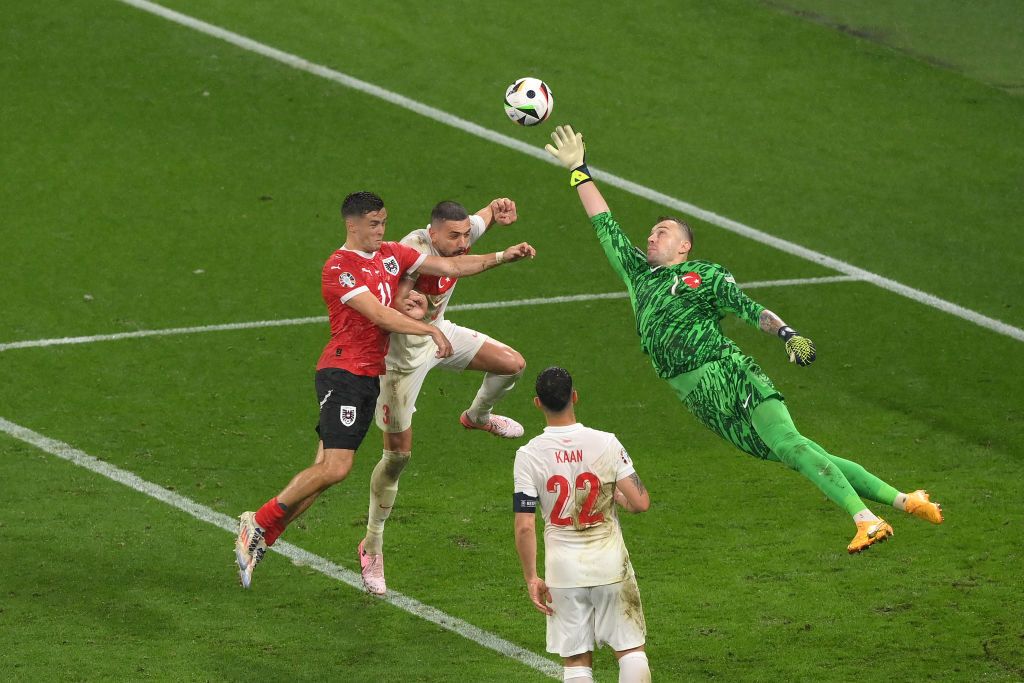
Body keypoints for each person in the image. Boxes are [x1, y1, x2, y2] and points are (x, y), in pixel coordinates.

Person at [543, 125, 944, 554]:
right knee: (795, 453)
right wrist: (579, 171)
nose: (651, 236)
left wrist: (788, 334)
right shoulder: (638, 276)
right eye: (651, 232)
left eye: (662, 232)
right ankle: (905, 500)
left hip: (728, 373)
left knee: (791, 445)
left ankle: (866, 519)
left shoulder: (704, 275)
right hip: (698, 398)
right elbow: (605, 225)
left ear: (684, 247)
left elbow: (748, 307)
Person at [234, 191, 536, 588]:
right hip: (350, 371)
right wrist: (424, 323)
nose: (381, 230)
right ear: (352, 225)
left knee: (326, 472)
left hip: (368, 372)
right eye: (373, 224)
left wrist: (501, 252)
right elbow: (379, 313)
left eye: (383, 222)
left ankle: (264, 535)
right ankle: (260, 523)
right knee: (342, 467)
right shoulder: (340, 267)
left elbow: (454, 260)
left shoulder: (391, 254)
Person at [359, 198, 528, 595]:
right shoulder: (412, 251)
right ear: (431, 233)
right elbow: (389, 301)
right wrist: (407, 305)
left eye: (465, 234)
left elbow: (480, 220)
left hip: (440, 336)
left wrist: (495, 209)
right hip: (400, 360)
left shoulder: (460, 235)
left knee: (512, 364)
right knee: (398, 457)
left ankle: (478, 417)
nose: (462, 242)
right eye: (454, 236)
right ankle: (372, 544)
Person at [514, 367, 652, 683]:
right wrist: (615, 496)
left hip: (563, 572)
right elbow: (640, 502)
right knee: (630, 650)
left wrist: (531, 577)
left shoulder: (528, 455)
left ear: (538, 403)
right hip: (610, 564)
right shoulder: (606, 443)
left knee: (576, 660)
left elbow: (524, 526)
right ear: (574, 397)